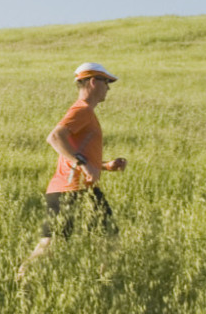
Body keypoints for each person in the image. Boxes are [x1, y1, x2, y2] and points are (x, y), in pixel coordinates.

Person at [18, 62, 129, 276]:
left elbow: (77, 150)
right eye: (106, 82)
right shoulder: (82, 110)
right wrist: (83, 164)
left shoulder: (86, 112)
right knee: (51, 246)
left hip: (83, 189)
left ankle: (103, 285)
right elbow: (55, 137)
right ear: (94, 82)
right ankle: (23, 281)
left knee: (110, 240)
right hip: (70, 189)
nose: (109, 88)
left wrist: (105, 165)